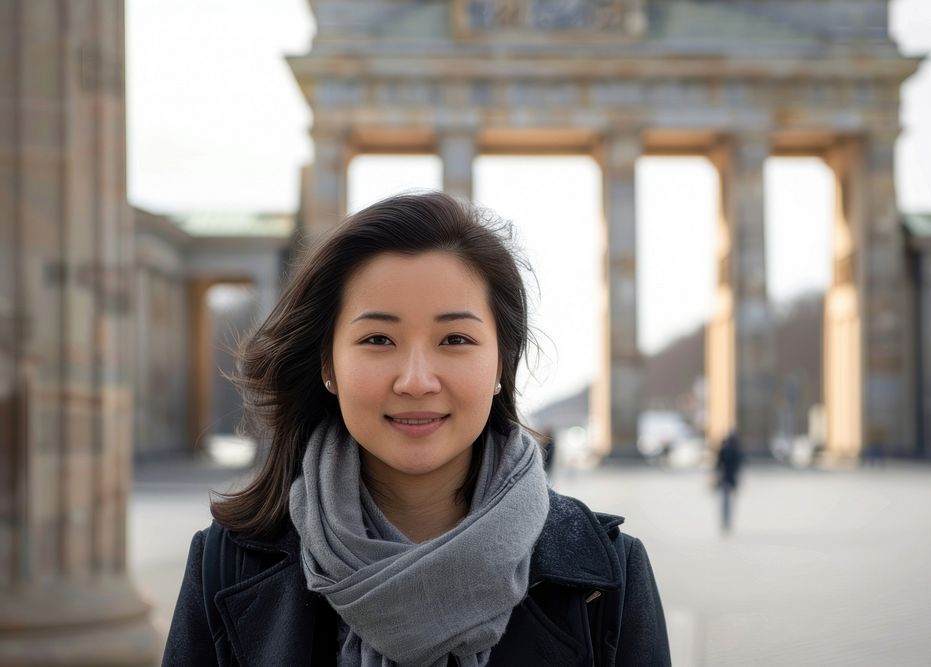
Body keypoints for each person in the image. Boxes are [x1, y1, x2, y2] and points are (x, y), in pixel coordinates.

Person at [162, 192, 670, 666]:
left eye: (455, 338)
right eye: (379, 339)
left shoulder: (610, 576)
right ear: (327, 364)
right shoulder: (223, 566)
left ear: (500, 365)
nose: (416, 380)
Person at [715, 430, 744, 534]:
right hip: (731, 479)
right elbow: (739, 466)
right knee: (729, 503)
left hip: (724, 479)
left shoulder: (724, 449)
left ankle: (725, 521)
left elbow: (717, 466)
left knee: (724, 503)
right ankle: (727, 522)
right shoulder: (736, 450)